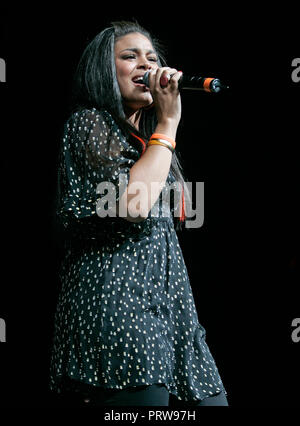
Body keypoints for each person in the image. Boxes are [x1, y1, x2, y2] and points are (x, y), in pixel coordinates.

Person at [49, 20, 228, 407]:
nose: (145, 65)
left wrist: (160, 133)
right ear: (102, 70)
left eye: (151, 57)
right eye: (130, 57)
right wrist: (168, 122)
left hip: (170, 312)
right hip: (119, 312)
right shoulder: (89, 123)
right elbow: (132, 205)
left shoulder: (148, 144)